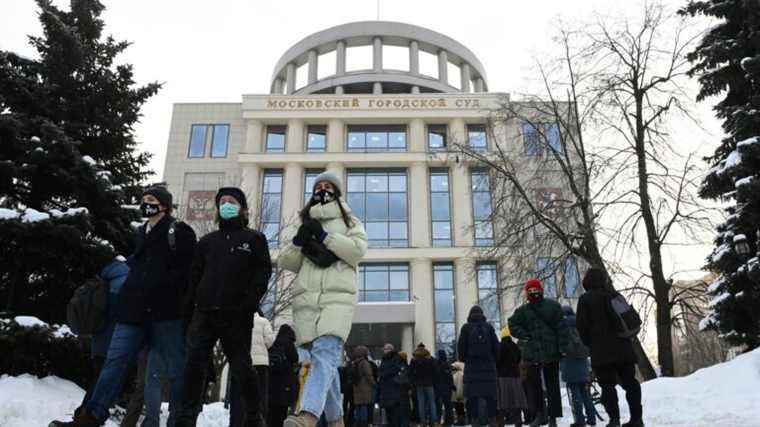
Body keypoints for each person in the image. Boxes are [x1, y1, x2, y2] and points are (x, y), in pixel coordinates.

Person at [50, 186, 197, 427]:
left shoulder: (179, 231)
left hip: (166, 315)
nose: (146, 204)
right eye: (144, 200)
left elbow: (188, 272)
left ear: (164, 205)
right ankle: (90, 417)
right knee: (113, 364)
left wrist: (175, 299)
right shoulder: (141, 232)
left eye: (151, 200)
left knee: (175, 371)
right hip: (132, 313)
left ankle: (180, 421)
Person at [176, 187, 272, 427]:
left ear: (243, 208)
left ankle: (253, 417)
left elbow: (262, 274)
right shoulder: (207, 242)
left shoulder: (254, 239)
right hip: (204, 313)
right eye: (222, 202)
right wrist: (188, 312)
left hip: (237, 315)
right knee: (194, 366)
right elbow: (194, 277)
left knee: (242, 368)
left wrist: (249, 303)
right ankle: (186, 419)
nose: (226, 204)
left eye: (232, 201)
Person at [279, 171, 368, 427]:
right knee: (320, 361)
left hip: (337, 298)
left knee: (325, 352)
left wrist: (325, 236)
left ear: (337, 192)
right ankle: (337, 420)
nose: (323, 190)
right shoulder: (304, 224)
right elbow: (288, 262)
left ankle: (308, 415)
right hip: (307, 301)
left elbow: (357, 251)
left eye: (328, 186)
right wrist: (299, 240)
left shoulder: (350, 222)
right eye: (318, 186)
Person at [576, 268, 643, 427]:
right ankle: (637, 419)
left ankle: (614, 420)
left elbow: (581, 327)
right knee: (630, 383)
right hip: (624, 348)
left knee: (607, 386)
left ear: (587, 281)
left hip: (601, 351)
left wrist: (590, 344)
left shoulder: (585, 300)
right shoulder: (614, 295)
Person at [508, 279, 569, 427]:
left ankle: (552, 417)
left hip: (550, 353)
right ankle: (540, 415)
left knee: (552, 385)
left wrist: (562, 347)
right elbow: (512, 324)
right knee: (535, 386)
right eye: (530, 291)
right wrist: (524, 335)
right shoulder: (523, 311)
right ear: (527, 293)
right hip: (533, 354)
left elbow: (562, 328)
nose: (533, 293)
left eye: (535, 290)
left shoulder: (553, 306)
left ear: (541, 290)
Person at [229, 311, 276, 427]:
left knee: (239, 396)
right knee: (260, 395)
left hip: (242, 362)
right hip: (260, 363)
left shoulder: (237, 319)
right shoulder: (264, 322)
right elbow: (270, 340)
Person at [456, 306, 499, 427]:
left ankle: (474, 420)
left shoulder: (466, 328)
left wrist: (466, 359)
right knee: (490, 397)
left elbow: (461, 352)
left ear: (470, 315)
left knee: (472, 397)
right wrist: (492, 360)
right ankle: (492, 420)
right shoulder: (489, 327)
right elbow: (497, 349)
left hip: (472, 370)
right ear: (482, 315)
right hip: (488, 369)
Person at [560, 305, 596, 427]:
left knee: (575, 394)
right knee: (585, 393)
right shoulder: (580, 324)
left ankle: (580, 421)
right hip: (583, 362)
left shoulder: (562, 326)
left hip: (569, 363)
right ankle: (591, 419)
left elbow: (561, 345)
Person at [268, 324, 299, 427]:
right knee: (282, 411)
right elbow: (295, 358)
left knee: (271, 412)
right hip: (285, 382)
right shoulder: (289, 343)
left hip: (272, 383)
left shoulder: (274, 343)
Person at [497, 327, 528, 427]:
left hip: (503, 377)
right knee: (516, 400)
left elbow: (497, 361)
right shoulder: (515, 346)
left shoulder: (500, 346)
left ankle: (501, 421)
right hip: (515, 376)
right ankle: (518, 420)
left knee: (503, 400)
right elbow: (519, 358)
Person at [410, 343, 437, 427]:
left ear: (418, 348)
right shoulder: (430, 359)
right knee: (432, 403)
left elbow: (410, 372)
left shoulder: (414, 359)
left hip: (419, 384)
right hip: (429, 383)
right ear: (424, 348)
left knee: (421, 403)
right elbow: (435, 371)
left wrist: (413, 382)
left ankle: (423, 422)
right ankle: (433, 421)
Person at [378, 344, 403, 427]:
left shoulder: (396, 358)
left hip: (393, 388)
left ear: (390, 349)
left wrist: (383, 374)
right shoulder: (385, 359)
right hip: (386, 389)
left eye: (385, 349)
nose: (384, 351)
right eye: (384, 349)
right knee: (389, 412)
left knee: (394, 413)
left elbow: (394, 369)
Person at [351, 346, 375, 427]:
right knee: (364, 407)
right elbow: (369, 375)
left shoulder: (354, 363)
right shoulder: (364, 362)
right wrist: (374, 384)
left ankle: (358, 424)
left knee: (358, 408)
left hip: (357, 389)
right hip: (365, 389)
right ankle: (364, 424)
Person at [433, 350, 455, 427]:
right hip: (446, 388)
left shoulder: (436, 365)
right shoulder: (447, 365)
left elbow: (435, 377)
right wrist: (452, 386)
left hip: (439, 388)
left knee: (439, 406)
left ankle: (438, 420)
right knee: (448, 405)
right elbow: (449, 377)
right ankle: (448, 421)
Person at [397, 351, 412, 427]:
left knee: (400, 409)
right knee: (405, 408)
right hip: (404, 390)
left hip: (398, 390)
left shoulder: (396, 366)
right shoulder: (406, 366)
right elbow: (407, 378)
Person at [450, 362, 466, 426]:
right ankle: (461, 420)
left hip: (458, 396)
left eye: (453, 367)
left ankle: (461, 421)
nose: (452, 368)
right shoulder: (458, 373)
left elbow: (459, 386)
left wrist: (459, 396)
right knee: (459, 409)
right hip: (457, 396)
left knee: (459, 409)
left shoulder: (458, 374)